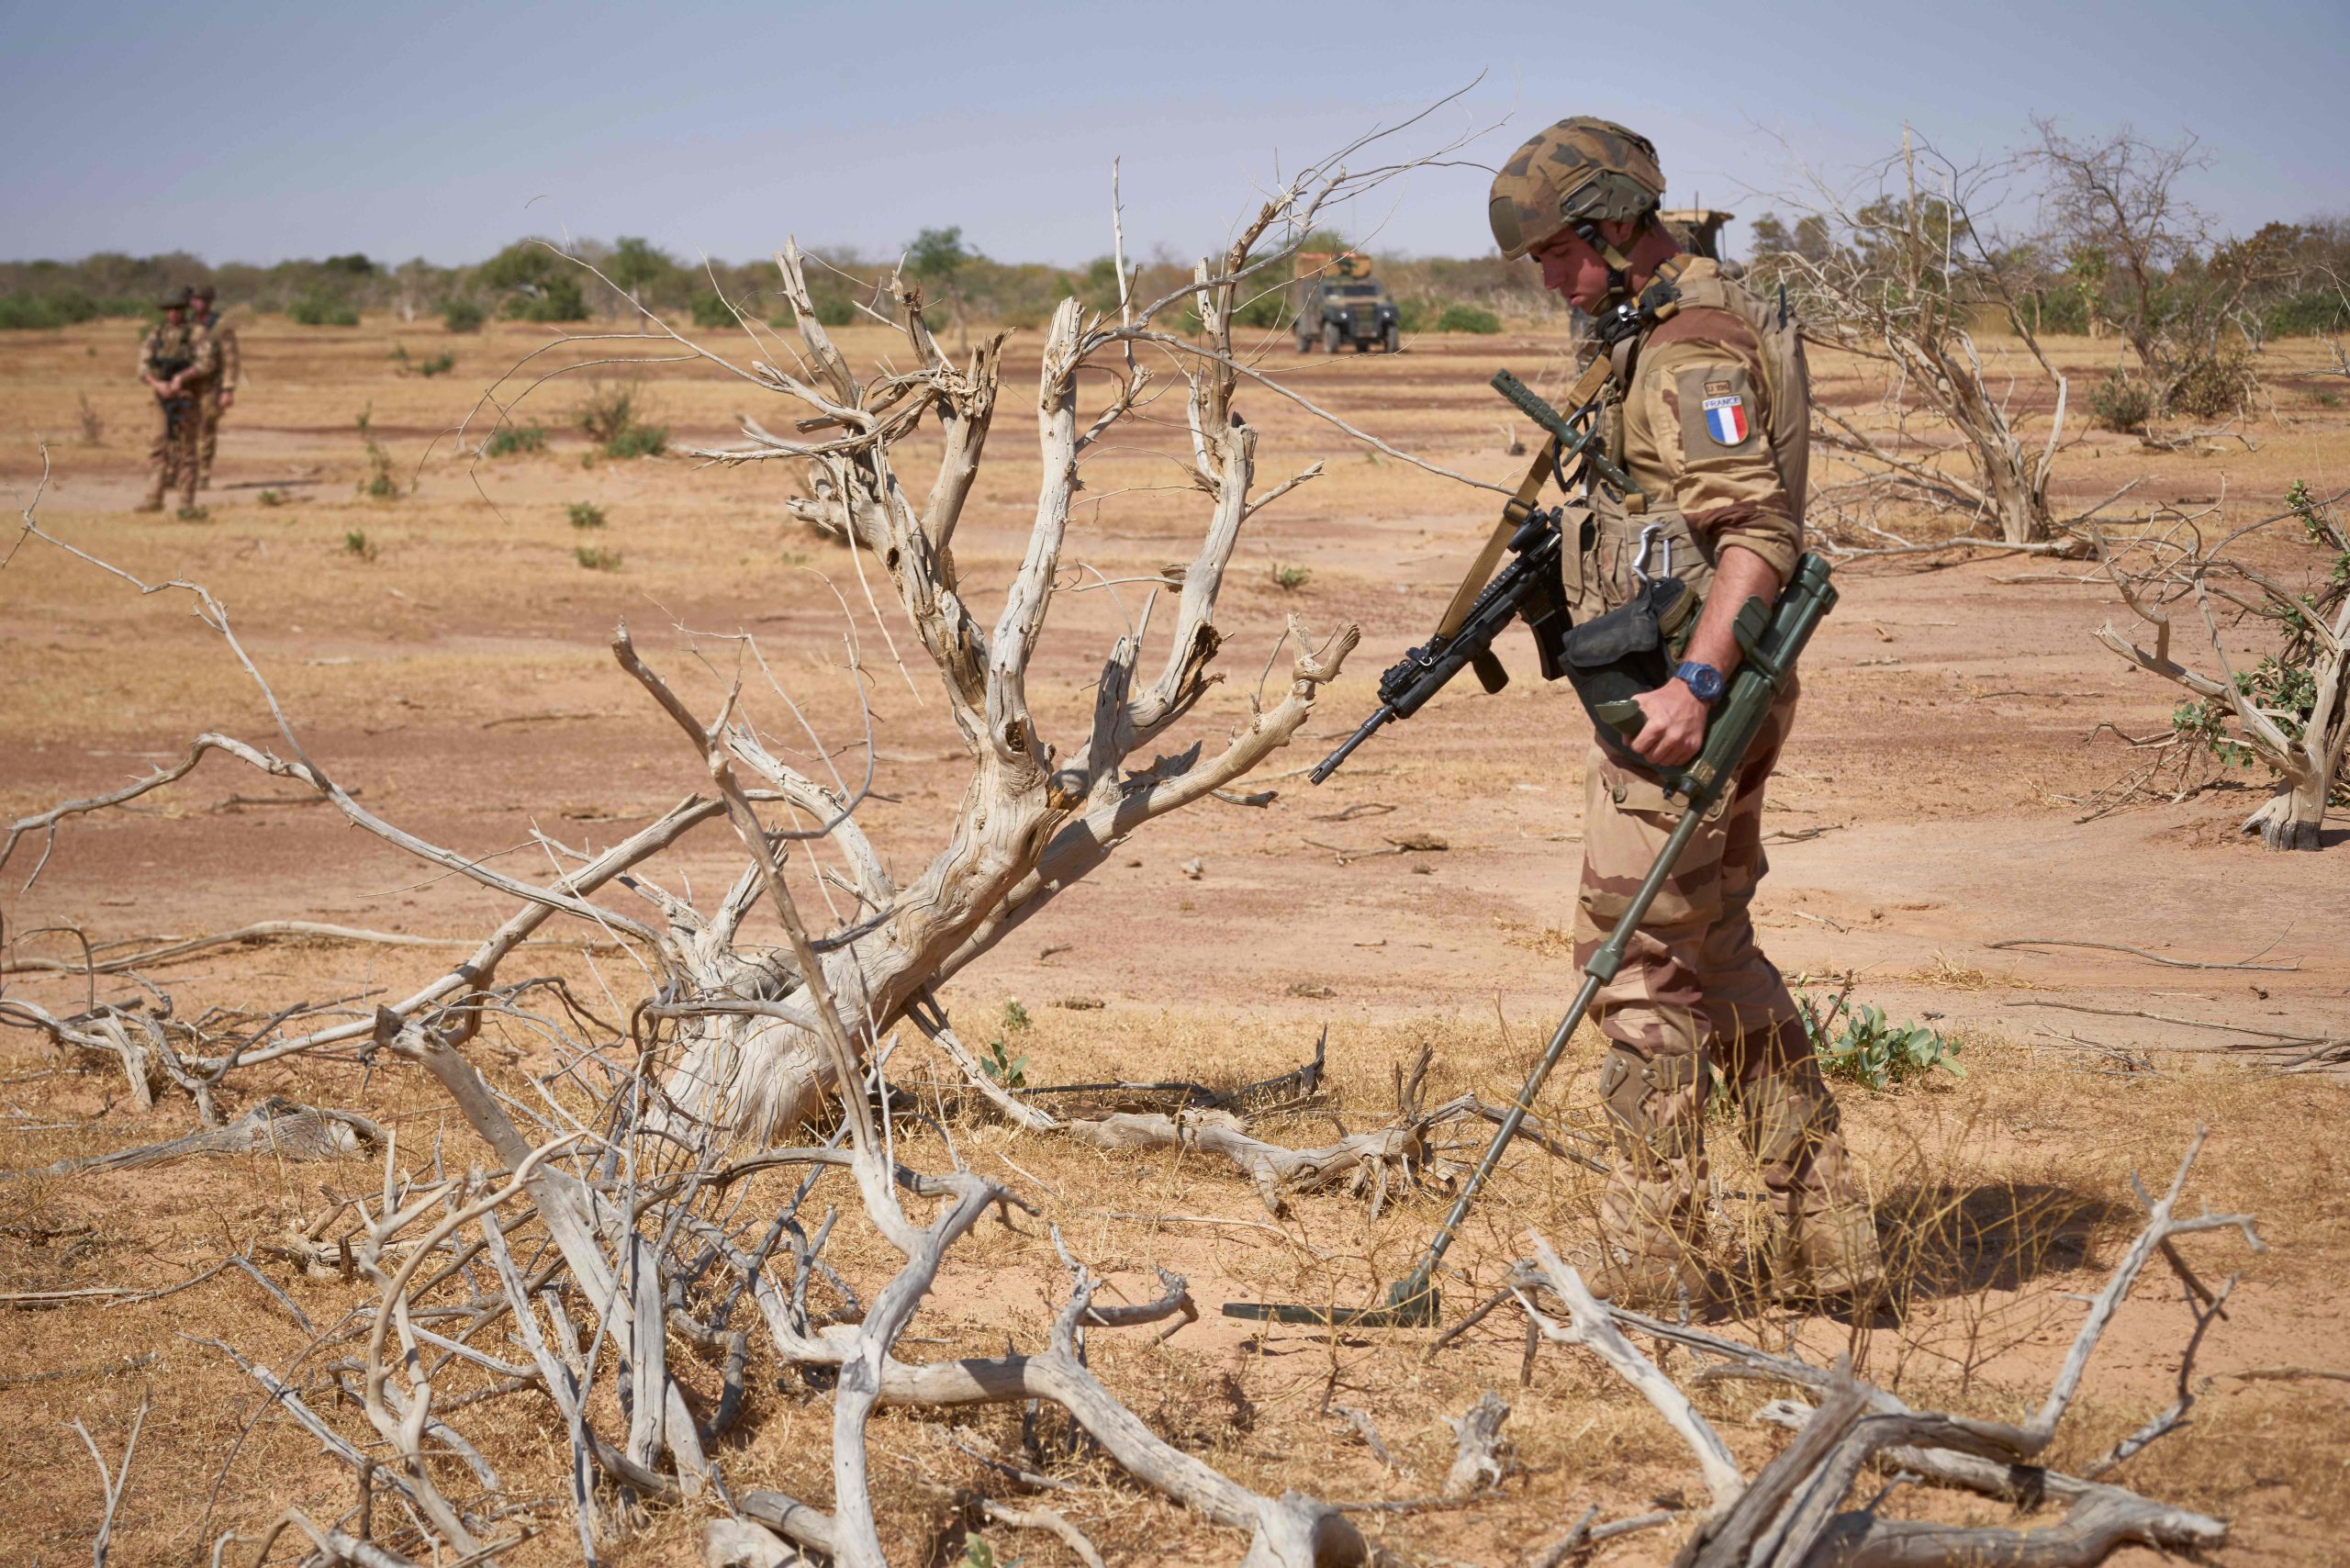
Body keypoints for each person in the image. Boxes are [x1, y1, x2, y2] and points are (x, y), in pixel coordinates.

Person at [1487, 117, 1884, 1308]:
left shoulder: (1692, 346)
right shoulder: (1657, 328)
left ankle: (1651, 1270)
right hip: (1705, 688)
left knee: (1642, 969)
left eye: (1559, 253)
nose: (1552, 279)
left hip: (1693, 702)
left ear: (1614, 225)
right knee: (1716, 951)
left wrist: (1694, 685)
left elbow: (1757, 530)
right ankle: (1835, 1246)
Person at [137, 290, 217, 514]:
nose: (173, 314)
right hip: (161, 397)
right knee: (158, 447)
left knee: (186, 449)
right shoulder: (156, 334)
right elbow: (142, 366)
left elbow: (206, 363)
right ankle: (154, 498)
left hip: (187, 397)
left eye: (177, 309)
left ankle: (185, 502)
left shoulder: (197, 333)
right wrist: (158, 384)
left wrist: (182, 378)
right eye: (169, 310)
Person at [187, 283, 238, 488]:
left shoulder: (220, 325)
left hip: (211, 385)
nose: (197, 303)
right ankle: (185, 472)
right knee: (185, 429)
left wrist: (228, 389)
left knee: (206, 428)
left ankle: (203, 474)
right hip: (189, 382)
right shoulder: (187, 324)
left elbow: (231, 359)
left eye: (201, 300)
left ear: (209, 302)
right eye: (195, 300)